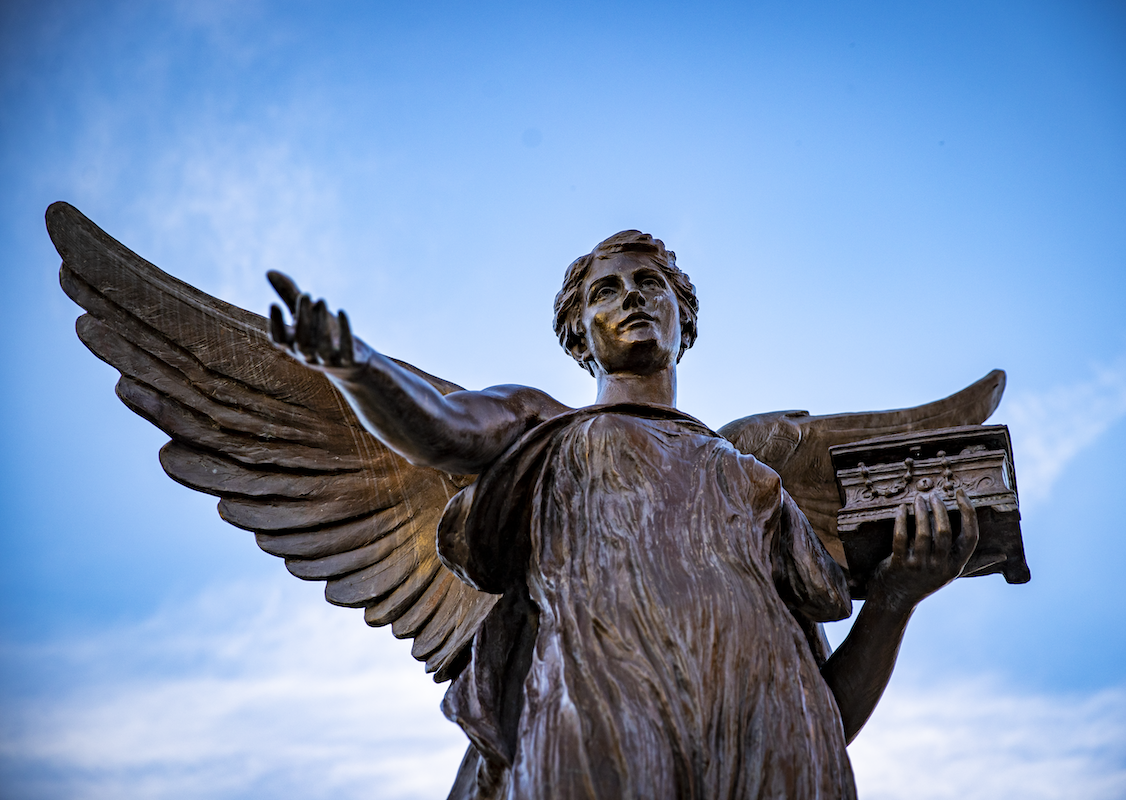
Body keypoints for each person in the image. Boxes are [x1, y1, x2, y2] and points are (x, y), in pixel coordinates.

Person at [268, 230, 979, 800]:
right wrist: (357, 368)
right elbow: (444, 429)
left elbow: (827, 716)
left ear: (684, 318)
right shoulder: (545, 427)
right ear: (580, 334)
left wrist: (890, 602)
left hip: (770, 744)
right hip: (598, 725)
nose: (633, 297)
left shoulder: (753, 480)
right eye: (607, 290)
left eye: (651, 284)